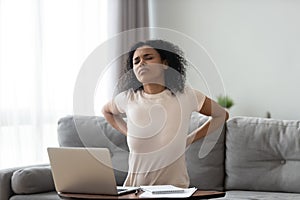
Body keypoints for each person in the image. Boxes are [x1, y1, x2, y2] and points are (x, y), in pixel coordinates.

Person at [102, 39, 229, 188]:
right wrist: (129, 132)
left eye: (148, 57)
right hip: (135, 191)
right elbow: (107, 111)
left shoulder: (186, 96)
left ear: (165, 63)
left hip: (175, 191)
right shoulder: (128, 98)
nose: (141, 63)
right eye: (136, 61)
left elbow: (221, 115)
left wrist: (189, 139)